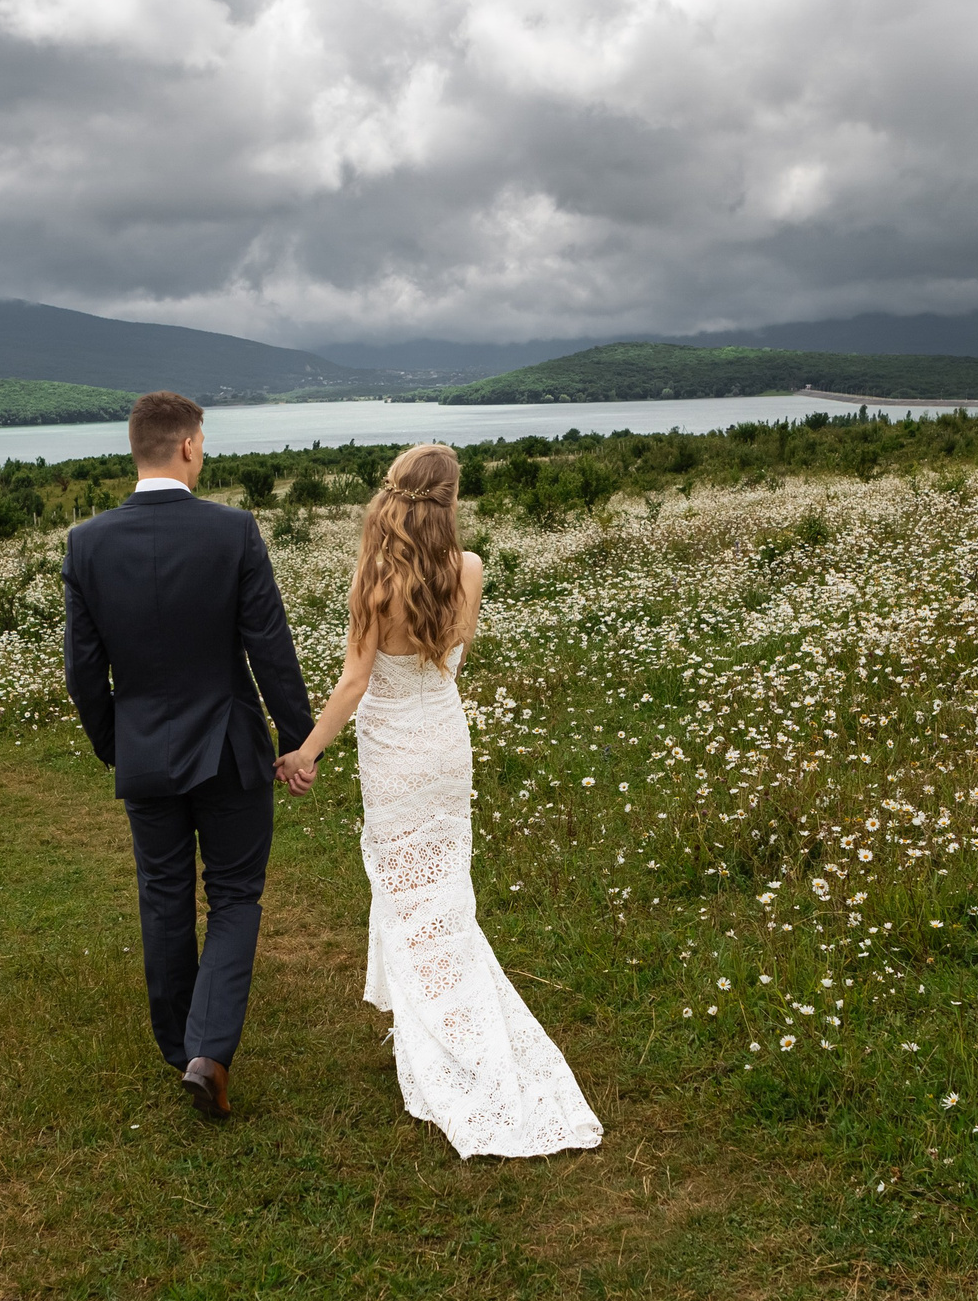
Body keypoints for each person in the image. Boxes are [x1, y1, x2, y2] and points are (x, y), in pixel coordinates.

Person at [275, 443, 602, 1159]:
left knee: (404, 894)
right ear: (449, 500)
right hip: (445, 743)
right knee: (446, 894)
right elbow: (450, 661)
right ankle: (440, 1017)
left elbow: (355, 684)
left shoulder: (373, 576)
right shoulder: (472, 570)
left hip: (394, 752)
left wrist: (305, 752)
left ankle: (442, 1035)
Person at [63, 391, 314, 1120]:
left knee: (164, 895)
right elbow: (270, 646)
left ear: (136, 448)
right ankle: (207, 1052)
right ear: (188, 447)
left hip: (144, 752)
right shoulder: (232, 531)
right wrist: (296, 741)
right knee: (235, 897)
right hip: (231, 752)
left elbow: (84, 670)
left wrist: (118, 745)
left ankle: (181, 1048)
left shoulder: (88, 543)